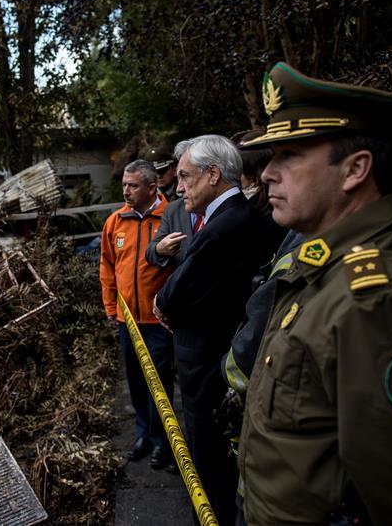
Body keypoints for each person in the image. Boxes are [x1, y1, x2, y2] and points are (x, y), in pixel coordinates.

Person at [237, 62, 392, 525]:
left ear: (355, 169)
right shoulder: (327, 266)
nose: (268, 172)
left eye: (288, 155)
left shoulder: (377, 298)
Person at [152, 135, 270, 524]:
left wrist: (164, 301)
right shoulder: (239, 217)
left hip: (208, 367)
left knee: (211, 465)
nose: (178, 186)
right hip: (222, 360)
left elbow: (174, 293)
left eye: (185, 177)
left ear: (214, 174)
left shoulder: (224, 227)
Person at [100, 159, 175, 470]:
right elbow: (107, 266)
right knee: (135, 379)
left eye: (132, 186)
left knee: (159, 383)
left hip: (158, 321)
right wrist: (111, 306)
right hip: (127, 320)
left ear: (151, 187)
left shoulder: (171, 217)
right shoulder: (115, 222)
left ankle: (162, 441)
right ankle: (143, 434)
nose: (126, 191)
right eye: (124, 186)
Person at [145, 138, 199, 270]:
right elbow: (150, 251)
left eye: (162, 171)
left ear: (174, 170)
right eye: (154, 173)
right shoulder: (147, 198)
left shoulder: (192, 196)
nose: (158, 176)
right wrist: (159, 249)